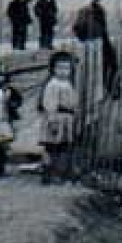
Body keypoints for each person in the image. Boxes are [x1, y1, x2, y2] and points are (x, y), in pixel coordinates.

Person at [38, 51, 79, 184]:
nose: (63, 71)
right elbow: (49, 104)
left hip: (66, 119)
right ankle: (49, 172)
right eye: (59, 68)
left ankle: (61, 172)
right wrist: (52, 120)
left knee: (63, 147)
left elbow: (73, 101)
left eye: (66, 68)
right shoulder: (53, 84)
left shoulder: (68, 83)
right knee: (52, 147)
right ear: (53, 69)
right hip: (56, 119)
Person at [73, 0, 119, 94]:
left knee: (112, 64)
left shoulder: (101, 10)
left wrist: (106, 42)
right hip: (89, 42)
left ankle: (108, 87)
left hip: (101, 41)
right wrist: (84, 40)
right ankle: (96, 89)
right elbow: (77, 27)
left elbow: (103, 28)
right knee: (93, 67)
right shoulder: (84, 11)